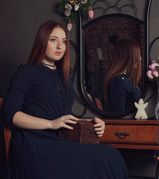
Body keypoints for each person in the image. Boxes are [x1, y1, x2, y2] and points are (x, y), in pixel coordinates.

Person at [3, 20, 128, 179]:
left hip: (59, 141)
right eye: (53, 40)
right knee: (106, 156)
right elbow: (9, 113)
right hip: (34, 145)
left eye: (63, 41)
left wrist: (92, 125)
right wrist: (50, 123)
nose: (60, 46)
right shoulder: (26, 71)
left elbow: (65, 117)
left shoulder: (64, 75)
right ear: (42, 41)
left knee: (111, 155)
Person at [105, 38, 142, 114]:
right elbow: (119, 114)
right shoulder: (118, 81)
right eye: (137, 55)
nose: (140, 59)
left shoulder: (123, 79)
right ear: (128, 57)